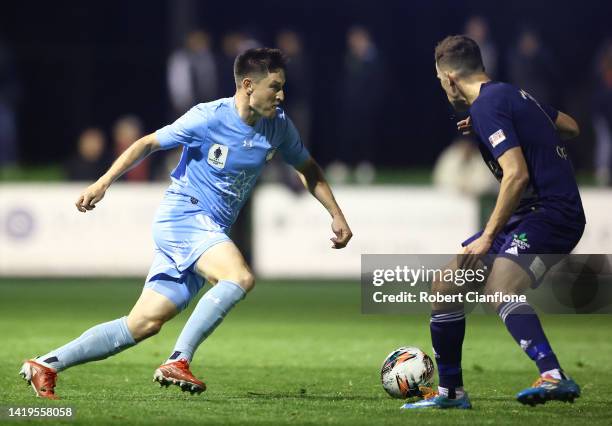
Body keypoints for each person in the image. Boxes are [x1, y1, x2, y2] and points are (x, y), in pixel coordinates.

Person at [20, 48, 353, 400]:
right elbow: (148, 143)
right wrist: (103, 183)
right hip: (184, 216)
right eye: (275, 86)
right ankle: (179, 360)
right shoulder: (208, 117)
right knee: (239, 276)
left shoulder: (278, 126)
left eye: (283, 87)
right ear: (248, 85)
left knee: (143, 324)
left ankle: (46, 364)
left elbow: (308, 169)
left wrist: (336, 213)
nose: (282, 95)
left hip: (208, 231)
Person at [402, 35, 584, 410]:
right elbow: (570, 126)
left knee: (499, 288)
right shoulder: (511, 95)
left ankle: (552, 374)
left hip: (552, 213)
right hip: (529, 214)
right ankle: (452, 393)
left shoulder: (488, 106)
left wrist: (487, 236)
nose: (441, 87)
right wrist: (514, 126)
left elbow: (515, 175)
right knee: (446, 285)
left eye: (439, 80)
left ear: (450, 78)